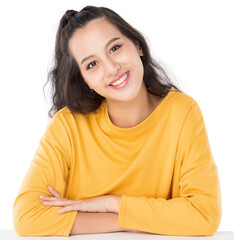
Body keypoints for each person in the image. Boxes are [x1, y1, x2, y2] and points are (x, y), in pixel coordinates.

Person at [12, 6, 222, 237]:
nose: (112, 68)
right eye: (92, 64)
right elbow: (26, 218)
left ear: (137, 45)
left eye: (115, 48)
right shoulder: (68, 126)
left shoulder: (182, 113)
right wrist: (123, 220)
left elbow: (204, 215)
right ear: (85, 81)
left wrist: (112, 203)